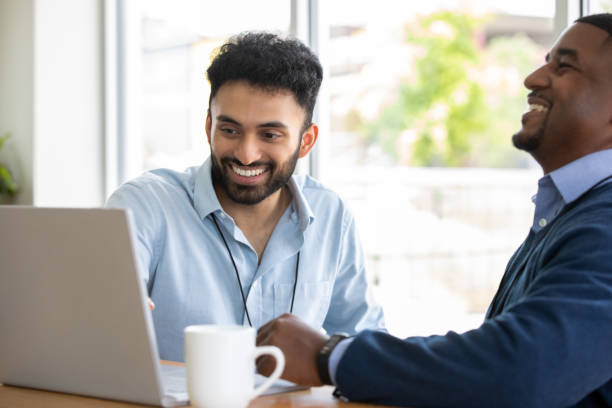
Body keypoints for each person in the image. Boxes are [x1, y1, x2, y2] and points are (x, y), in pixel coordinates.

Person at [256, 14, 612, 407]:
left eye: (564, 66)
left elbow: (520, 369)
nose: (533, 79)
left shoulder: (604, 224)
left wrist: (330, 358)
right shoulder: (571, 213)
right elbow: (496, 357)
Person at [106, 32, 385, 362]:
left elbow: (364, 344)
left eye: (270, 135)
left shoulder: (331, 215)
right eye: (230, 130)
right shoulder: (144, 205)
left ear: (306, 141)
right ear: (209, 124)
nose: (246, 154)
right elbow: (101, 315)